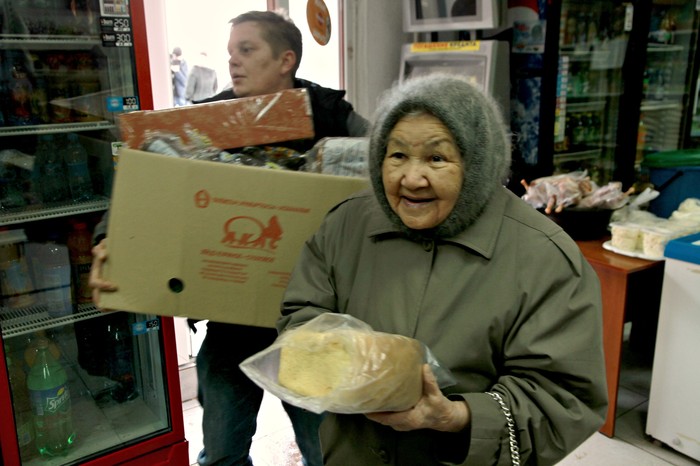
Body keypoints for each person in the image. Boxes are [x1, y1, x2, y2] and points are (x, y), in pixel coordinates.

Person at [276, 74, 608, 465]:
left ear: (477, 162)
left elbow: (562, 399)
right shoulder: (346, 226)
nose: (412, 178)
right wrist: (336, 362)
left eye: (436, 157)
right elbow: (300, 318)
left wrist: (454, 417)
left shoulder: (543, 256)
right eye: (397, 155)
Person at [90, 10, 369, 466]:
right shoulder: (210, 120)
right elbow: (144, 184)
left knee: (326, 450)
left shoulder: (329, 113)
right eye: (230, 53)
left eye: (247, 50)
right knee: (221, 450)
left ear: (286, 60)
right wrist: (109, 240)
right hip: (230, 315)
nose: (233, 63)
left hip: (307, 320)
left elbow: (389, 155)